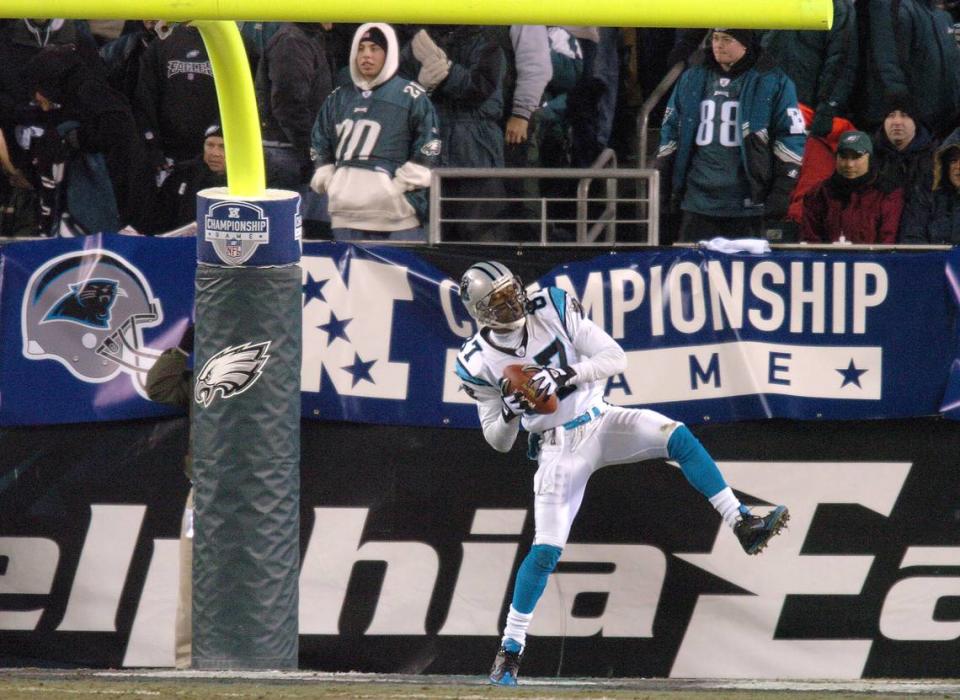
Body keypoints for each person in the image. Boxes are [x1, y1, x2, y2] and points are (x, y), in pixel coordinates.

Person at [454, 260, 790, 686]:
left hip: (602, 419)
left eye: (512, 291)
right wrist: (508, 410)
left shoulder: (551, 305)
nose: (513, 301)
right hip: (558, 448)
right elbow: (497, 440)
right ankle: (510, 651)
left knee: (677, 436)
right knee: (545, 551)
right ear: (482, 312)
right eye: (500, 300)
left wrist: (565, 374)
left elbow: (615, 356)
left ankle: (741, 521)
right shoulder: (475, 359)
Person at [657, 29, 806, 243]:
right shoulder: (692, 78)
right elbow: (670, 130)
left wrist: (782, 190)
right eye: (715, 38)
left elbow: (791, 136)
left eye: (727, 39)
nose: (719, 45)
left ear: (745, 44)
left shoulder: (773, 81)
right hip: (697, 201)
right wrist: (664, 179)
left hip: (748, 204)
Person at [310, 23, 440, 241]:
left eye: (374, 48)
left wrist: (395, 188)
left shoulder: (411, 96)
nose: (366, 56)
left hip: (397, 218)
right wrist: (330, 181)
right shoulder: (338, 97)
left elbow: (429, 145)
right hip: (345, 214)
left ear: (389, 53)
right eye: (361, 49)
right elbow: (319, 140)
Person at [400, 25, 506, 241]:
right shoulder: (416, 45)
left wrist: (446, 71)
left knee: (481, 239)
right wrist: (420, 87)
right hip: (429, 157)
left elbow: (481, 89)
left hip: (476, 155)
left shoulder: (489, 46)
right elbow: (397, 96)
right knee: (430, 241)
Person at [145, 322, 195, 669]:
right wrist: (181, 350)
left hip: (263, 493)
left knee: (263, 578)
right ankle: (188, 663)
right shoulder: (201, 384)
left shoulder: (272, 381)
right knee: (192, 581)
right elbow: (159, 388)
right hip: (206, 492)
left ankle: (266, 654)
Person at [761, 0, 858, 138]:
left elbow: (841, 62)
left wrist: (828, 108)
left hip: (806, 111)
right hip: (767, 105)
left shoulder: (836, 6)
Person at [255, 22, 332, 190]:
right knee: (286, 215)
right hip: (287, 152)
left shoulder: (306, 38)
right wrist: (312, 152)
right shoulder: (292, 41)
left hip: (291, 150)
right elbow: (288, 105)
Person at [800, 130, 904, 244]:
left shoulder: (887, 193)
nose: (849, 164)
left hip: (872, 260)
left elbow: (888, 241)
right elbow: (811, 240)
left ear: (869, 157)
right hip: (828, 260)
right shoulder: (818, 194)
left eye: (856, 157)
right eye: (844, 157)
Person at [151, 124, 227, 233]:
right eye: (210, 145)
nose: (214, 153)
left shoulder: (248, 181)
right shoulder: (183, 173)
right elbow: (160, 215)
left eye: (222, 147)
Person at [899, 128, 960, 243]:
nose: (958, 167)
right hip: (933, 260)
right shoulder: (926, 196)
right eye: (953, 160)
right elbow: (912, 238)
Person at [873, 108, 936, 205]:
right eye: (891, 116)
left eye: (905, 115)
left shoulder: (935, 158)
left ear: (916, 122)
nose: (897, 122)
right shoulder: (870, 156)